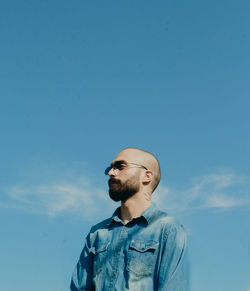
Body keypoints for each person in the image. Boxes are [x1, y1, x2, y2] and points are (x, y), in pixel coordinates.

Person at [70, 148, 189, 291]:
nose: (111, 173)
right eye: (110, 168)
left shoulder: (169, 229)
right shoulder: (97, 233)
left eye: (120, 166)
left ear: (147, 176)